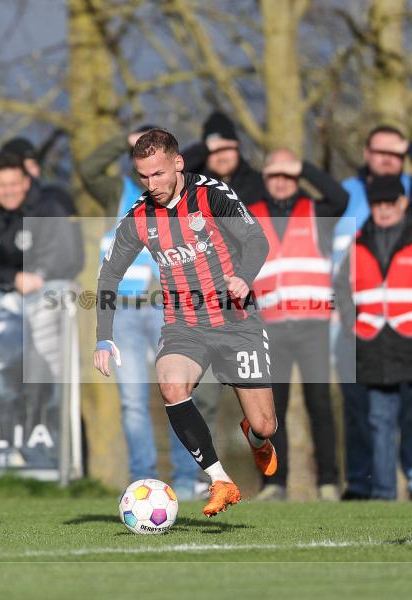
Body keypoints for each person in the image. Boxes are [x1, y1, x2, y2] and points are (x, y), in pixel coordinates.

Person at [94, 129, 277, 517]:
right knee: (171, 384)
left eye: (158, 174)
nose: (151, 184)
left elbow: (256, 239)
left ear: (178, 163)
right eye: (143, 176)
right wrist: (103, 338)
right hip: (184, 325)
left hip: (236, 321)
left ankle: (256, 438)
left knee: (265, 425)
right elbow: (109, 276)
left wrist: (244, 276)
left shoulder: (211, 194)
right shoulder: (139, 217)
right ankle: (220, 480)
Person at [76, 126, 205, 500]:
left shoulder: (188, 199)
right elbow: (88, 171)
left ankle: (187, 478)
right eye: (143, 168)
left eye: (157, 168)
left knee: (179, 395)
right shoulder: (120, 193)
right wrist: (123, 140)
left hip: (170, 309)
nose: (151, 179)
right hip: (128, 313)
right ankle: (143, 483)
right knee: (133, 402)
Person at [334, 124, 412, 500]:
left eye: (391, 203)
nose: (385, 210)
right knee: (379, 424)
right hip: (374, 348)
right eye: (378, 204)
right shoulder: (356, 244)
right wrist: (353, 326)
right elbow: (342, 291)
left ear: (404, 203)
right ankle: (383, 495)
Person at [246, 148, 348, 501]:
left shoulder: (316, 211)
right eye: (274, 174)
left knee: (319, 402)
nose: (280, 182)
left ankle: (329, 482)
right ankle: (274, 483)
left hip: (313, 325)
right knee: (271, 410)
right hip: (270, 326)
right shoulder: (251, 215)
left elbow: (341, 196)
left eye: (287, 175)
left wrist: (302, 166)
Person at [0, 152, 83, 294]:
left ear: (26, 183)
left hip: (46, 291)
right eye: (1, 185)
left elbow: (63, 260)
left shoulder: (49, 211)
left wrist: (35, 277)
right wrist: (13, 278)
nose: (8, 191)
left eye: (14, 184)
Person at [182, 111, 266, 206]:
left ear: (237, 148)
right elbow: (171, 173)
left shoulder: (258, 184)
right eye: (214, 150)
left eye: (226, 149)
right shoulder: (195, 184)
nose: (221, 157)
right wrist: (203, 148)